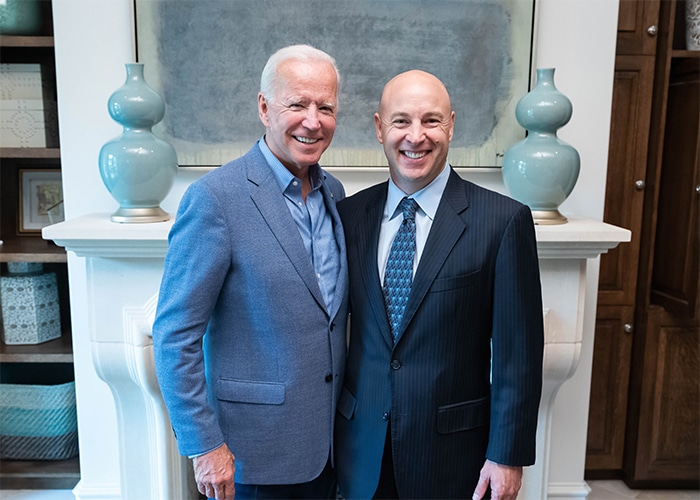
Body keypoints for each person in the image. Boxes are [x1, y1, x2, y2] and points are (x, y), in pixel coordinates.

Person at [334, 70, 544, 500]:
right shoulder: (349, 216)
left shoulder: (502, 222)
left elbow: (518, 355)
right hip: (360, 451)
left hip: (452, 457)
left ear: (451, 124)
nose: (416, 136)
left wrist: (507, 456)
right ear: (379, 128)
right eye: (401, 121)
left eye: (431, 120)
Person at [151, 44, 348, 500]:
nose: (312, 121)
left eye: (325, 107)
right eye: (296, 104)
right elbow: (174, 335)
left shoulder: (334, 194)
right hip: (250, 457)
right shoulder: (215, 199)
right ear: (264, 107)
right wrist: (205, 447)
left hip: (331, 451)